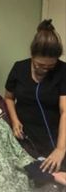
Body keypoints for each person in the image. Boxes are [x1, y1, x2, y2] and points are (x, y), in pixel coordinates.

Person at [5, 19, 66, 172]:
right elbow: (9, 97)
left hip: (57, 132)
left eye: (50, 66)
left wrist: (60, 149)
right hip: (27, 134)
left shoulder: (63, 70)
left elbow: (65, 110)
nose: (45, 70)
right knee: (35, 173)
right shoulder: (19, 68)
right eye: (40, 65)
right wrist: (15, 121)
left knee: (59, 169)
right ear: (32, 55)